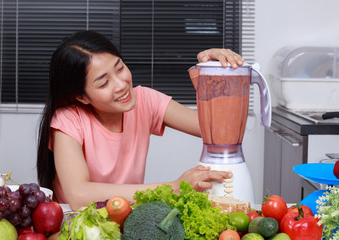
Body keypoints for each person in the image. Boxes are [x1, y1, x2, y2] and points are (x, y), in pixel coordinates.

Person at [36, 30, 244, 210]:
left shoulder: (145, 101)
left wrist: (215, 75)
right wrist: (174, 187)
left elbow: (220, 129)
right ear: (82, 97)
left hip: (124, 220)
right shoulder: (67, 120)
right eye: (103, 83)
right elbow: (79, 196)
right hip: (75, 226)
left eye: (119, 68)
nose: (121, 84)